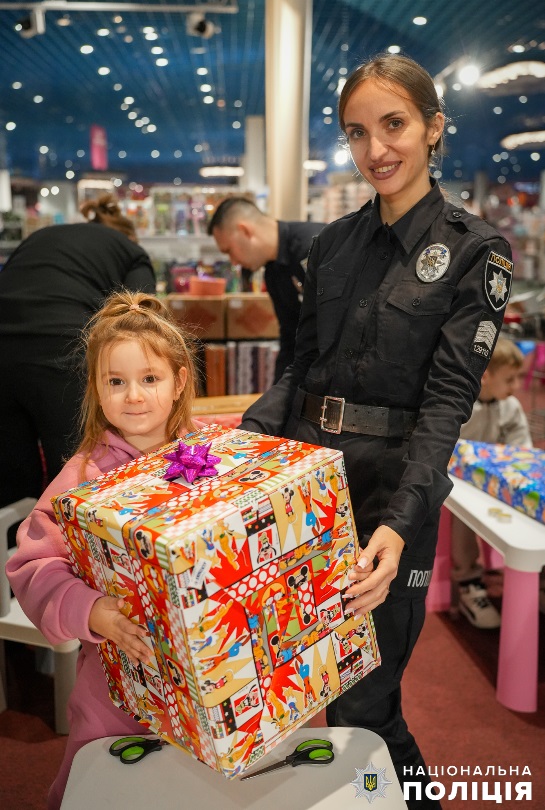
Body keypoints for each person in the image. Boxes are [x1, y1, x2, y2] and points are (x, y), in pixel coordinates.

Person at [238, 53, 513, 807]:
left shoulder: (475, 251)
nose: (375, 149)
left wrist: (397, 525)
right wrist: (244, 442)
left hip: (390, 497)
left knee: (364, 704)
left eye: (393, 125)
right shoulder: (329, 245)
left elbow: (444, 406)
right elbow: (300, 368)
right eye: (356, 133)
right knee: (297, 690)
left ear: (432, 129)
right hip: (305, 491)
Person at [6, 290, 199, 810]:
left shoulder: (210, 457)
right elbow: (32, 564)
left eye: (150, 379)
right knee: (101, 786)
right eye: (116, 381)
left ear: (179, 381)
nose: (133, 396)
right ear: (95, 387)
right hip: (115, 684)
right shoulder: (84, 475)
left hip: (205, 677)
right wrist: (92, 611)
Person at [0, 193, 156, 513]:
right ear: (129, 235)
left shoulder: (46, 237)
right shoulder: (132, 252)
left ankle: (19, 551)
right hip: (60, 347)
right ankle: (77, 556)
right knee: (77, 469)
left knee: (13, 476)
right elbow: (139, 323)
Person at [452, 339, 531, 629]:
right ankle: (468, 582)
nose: (516, 386)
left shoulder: (510, 407)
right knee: (463, 514)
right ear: (485, 376)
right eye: (510, 379)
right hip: (458, 483)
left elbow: (522, 450)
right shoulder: (460, 406)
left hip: (496, 479)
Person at [207, 196, 324, 381]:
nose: (234, 262)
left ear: (244, 230)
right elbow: (290, 336)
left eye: (229, 250)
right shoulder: (273, 271)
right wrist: (279, 393)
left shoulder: (315, 245)